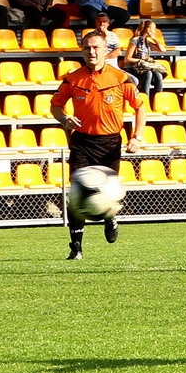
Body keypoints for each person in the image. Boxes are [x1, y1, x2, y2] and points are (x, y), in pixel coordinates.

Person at [51, 31, 146, 261]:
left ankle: (110, 216)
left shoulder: (121, 78)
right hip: (82, 142)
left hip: (110, 142)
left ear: (106, 50)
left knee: (107, 191)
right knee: (77, 193)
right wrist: (65, 119)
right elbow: (55, 106)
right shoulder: (72, 79)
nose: (92, 52)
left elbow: (140, 107)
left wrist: (137, 137)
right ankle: (76, 248)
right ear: (82, 51)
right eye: (87, 48)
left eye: (96, 48)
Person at [123, 20, 167, 98]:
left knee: (158, 74)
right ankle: (145, 96)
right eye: (153, 29)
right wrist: (142, 60)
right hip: (133, 68)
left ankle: (157, 98)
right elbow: (127, 59)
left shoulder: (147, 42)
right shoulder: (135, 40)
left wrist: (154, 38)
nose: (154, 31)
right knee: (148, 73)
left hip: (143, 68)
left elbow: (162, 49)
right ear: (148, 29)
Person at [92, 12, 136, 84]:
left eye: (104, 22)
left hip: (114, 67)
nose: (102, 24)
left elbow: (118, 52)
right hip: (101, 68)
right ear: (96, 23)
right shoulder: (92, 36)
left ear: (108, 23)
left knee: (134, 81)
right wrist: (104, 37)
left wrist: (104, 57)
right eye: (99, 22)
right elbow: (97, 51)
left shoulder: (113, 35)